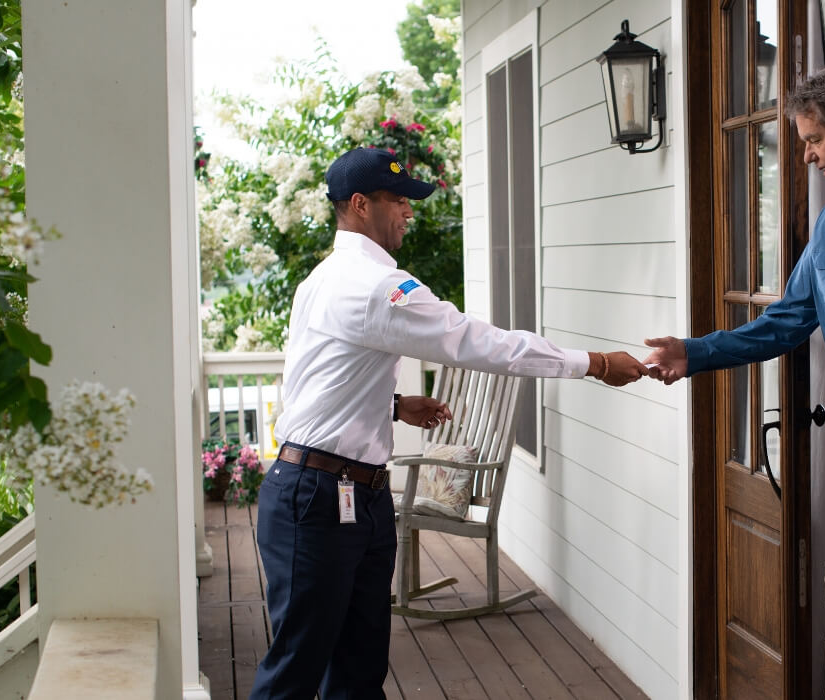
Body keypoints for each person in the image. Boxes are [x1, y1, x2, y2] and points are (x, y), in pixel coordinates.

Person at [251, 147, 646, 699]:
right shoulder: (376, 286)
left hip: (351, 493)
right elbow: (479, 344)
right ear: (361, 205)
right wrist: (595, 363)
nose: (408, 212)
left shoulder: (321, 279)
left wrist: (392, 406)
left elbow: (309, 385)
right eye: (398, 201)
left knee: (359, 669)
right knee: (294, 673)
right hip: (319, 499)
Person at [642, 69, 825, 700]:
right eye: (801, 142)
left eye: (814, 140)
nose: (807, 156)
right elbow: (785, 323)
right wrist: (695, 352)